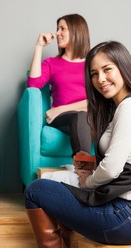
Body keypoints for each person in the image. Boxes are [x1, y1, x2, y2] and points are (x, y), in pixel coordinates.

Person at [24, 41, 131, 248]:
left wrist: (87, 182)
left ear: (123, 67)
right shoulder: (124, 107)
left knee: (36, 190)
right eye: (94, 73)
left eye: (107, 69)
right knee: (55, 179)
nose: (100, 79)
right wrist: (91, 165)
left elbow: (111, 170)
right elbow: (129, 160)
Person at [27, 13, 92, 157]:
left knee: (89, 116)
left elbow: (97, 100)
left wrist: (60, 109)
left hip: (84, 115)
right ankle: (83, 171)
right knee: (81, 116)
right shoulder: (51, 63)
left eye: (62, 29)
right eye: (57, 29)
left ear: (76, 32)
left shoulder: (92, 64)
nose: (57, 33)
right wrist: (39, 46)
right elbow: (33, 84)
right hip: (63, 119)